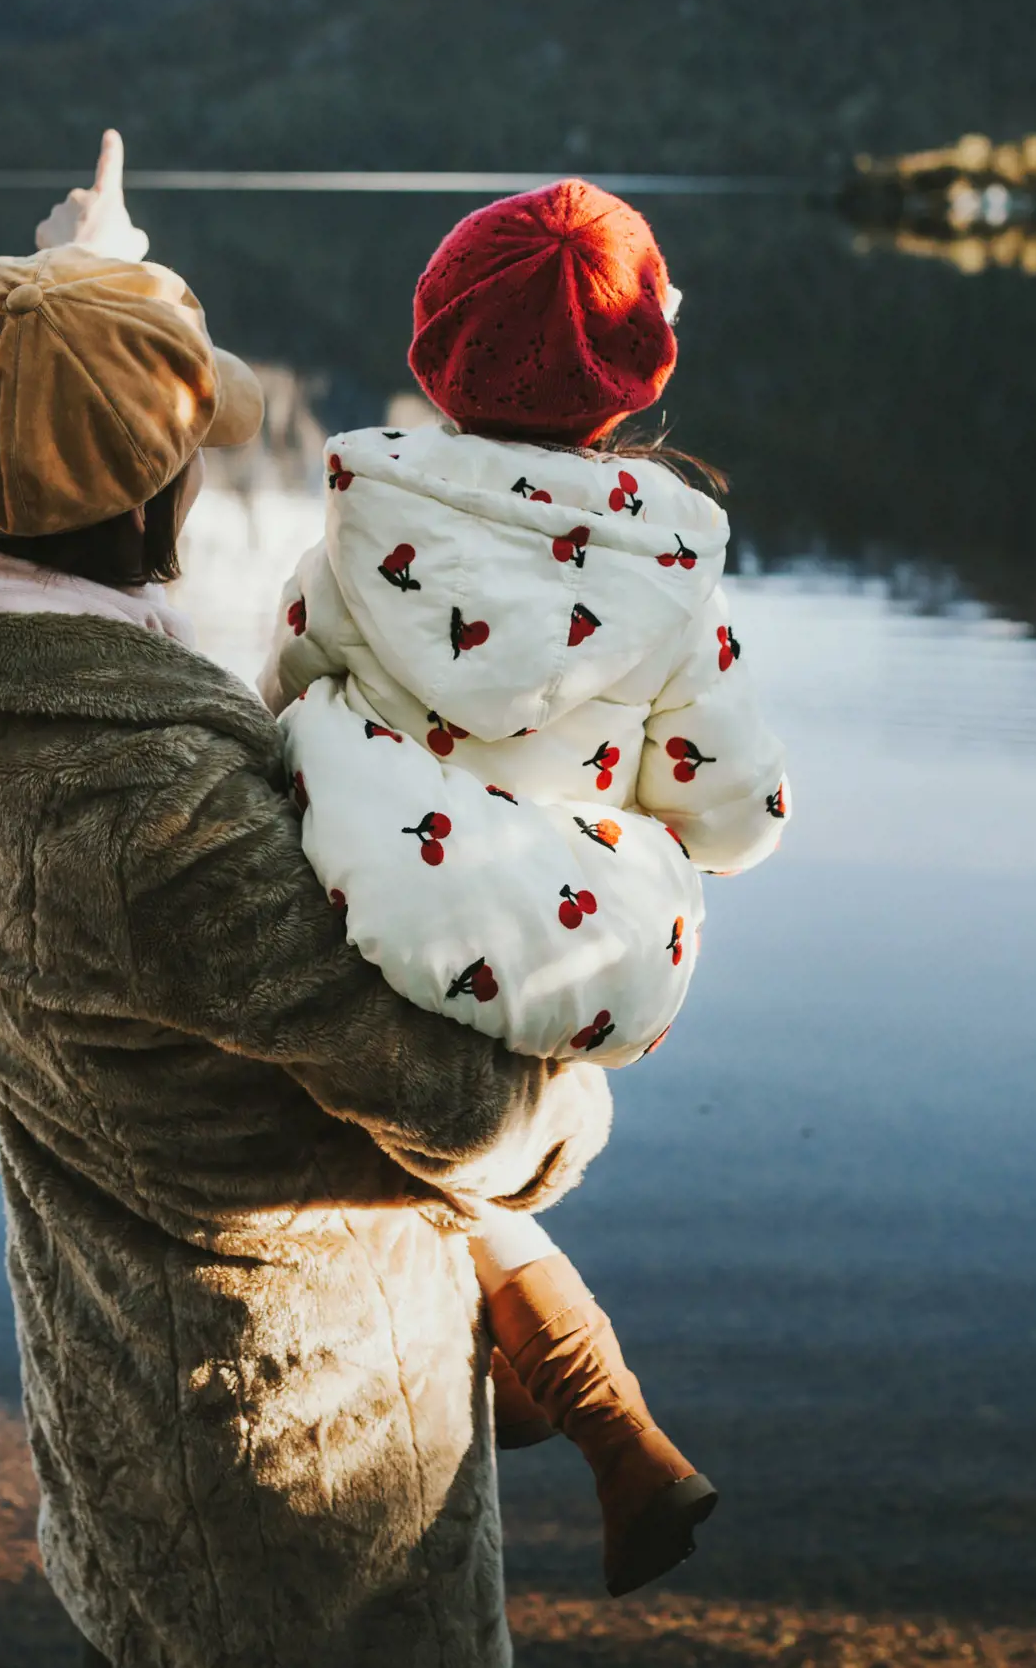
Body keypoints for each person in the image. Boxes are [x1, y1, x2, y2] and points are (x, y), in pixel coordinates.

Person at [0, 134, 612, 1668]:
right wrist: (583, 1061)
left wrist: (91, 271)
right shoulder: (158, 813)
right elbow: (474, 1118)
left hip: (118, 1371)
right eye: (184, 446)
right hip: (301, 1449)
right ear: (150, 500)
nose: (204, 470)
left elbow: (33, 417)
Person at [262, 178, 788, 1597]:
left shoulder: (356, 531)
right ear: (638, 375)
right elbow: (735, 817)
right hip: (576, 960)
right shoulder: (675, 572)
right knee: (454, 1158)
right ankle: (591, 1417)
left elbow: (281, 690)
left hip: (383, 907)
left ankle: (579, 1406)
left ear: (438, 356)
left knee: (394, 1115)